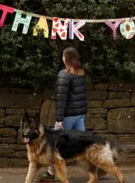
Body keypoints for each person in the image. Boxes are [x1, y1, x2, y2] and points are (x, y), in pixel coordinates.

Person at [36, 47, 105, 182]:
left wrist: (59, 119)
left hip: (68, 115)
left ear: (66, 58)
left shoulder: (64, 74)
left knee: (54, 144)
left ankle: (51, 172)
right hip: (80, 114)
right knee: (85, 143)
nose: (62, 58)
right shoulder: (80, 72)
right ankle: (99, 166)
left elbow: (62, 99)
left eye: (63, 56)